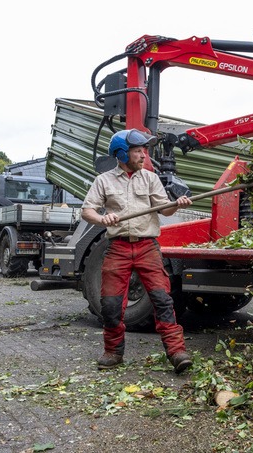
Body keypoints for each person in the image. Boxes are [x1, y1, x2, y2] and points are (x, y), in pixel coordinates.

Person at [81, 128, 194, 374]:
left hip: (147, 247)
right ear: (121, 153)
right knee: (110, 305)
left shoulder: (150, 179)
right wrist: (103, 219)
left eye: (144, 150)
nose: (144, 155)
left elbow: (164, 210)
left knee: (163, 300)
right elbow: (87, 210)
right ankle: (113, 352)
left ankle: (177, 352)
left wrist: (177, 205)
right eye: (137, 150)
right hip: (118, 247)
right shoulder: (104, 181)